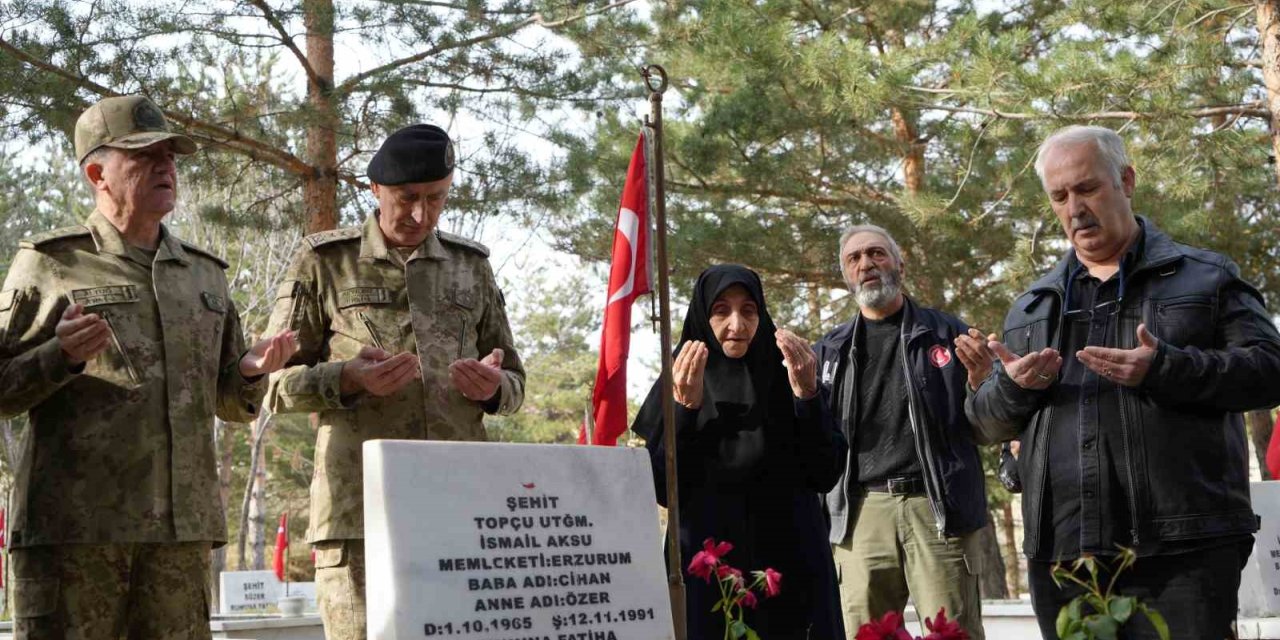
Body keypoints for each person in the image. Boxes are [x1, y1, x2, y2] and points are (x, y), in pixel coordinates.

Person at [962, 125, 1280, 639]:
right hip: (1065, 558)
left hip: (1184, 553)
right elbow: (983, 425)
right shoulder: (1032, 305)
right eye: (1059, 196)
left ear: (1126, 180)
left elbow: (1270, 371)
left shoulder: (1207, 277)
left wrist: (1165, 368)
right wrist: (1012, 389)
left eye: (1087, 188)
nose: (1074, 208)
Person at [0, 94, 298, 638]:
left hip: (179, 542)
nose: (166, 167)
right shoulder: (50, 263)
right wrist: (58, 356)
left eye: (171, 156)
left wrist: (252, 370)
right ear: (98, 173)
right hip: (77, 538)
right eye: (144, 156)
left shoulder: (204, 276)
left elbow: (230, 402)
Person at [263, 123, 525, 640]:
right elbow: (268, 386)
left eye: (437, 199)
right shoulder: (325, 263)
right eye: (407, 199)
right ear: (375, 189)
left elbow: (515, 381)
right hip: (360, 514)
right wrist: (347, 379)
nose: (421, 215)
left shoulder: (471, 269)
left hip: (459, 509)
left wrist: (492, 389)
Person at [632, 264, 847, 640]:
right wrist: (685, 409)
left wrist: (807, 397)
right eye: (721, 310)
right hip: (707, 567)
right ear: (702, 315)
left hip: (789, 563)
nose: (737, 324)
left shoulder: (791, 376)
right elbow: (661, 488)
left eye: (749, 310)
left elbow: (825, 472)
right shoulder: (680, 379)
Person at [815, 225, 992, 639]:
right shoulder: (830, 351)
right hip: (861, 514)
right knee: (863, 632)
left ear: (899, 264)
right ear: (846, 277)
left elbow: (988, 426)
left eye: (876, 253)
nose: (866, 264)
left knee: (954, 632)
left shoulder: (949, 334)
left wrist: (983, 380)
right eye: (853, 259)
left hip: (937, 509)